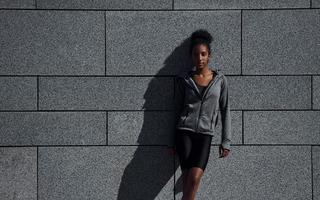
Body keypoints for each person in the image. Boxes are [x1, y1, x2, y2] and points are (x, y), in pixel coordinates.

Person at [168, 29, 232, 200]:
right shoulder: (184, 79)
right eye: (196, 54)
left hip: (205, 135)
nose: (200, 58)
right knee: (189, 181)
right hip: (184, 133)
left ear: (209, 55)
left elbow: (225, 109)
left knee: (194, 179)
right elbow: (176, 109)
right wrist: (172, 139)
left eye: (203, 54)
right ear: (191, 56)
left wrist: (226, 141)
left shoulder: (220, 80)